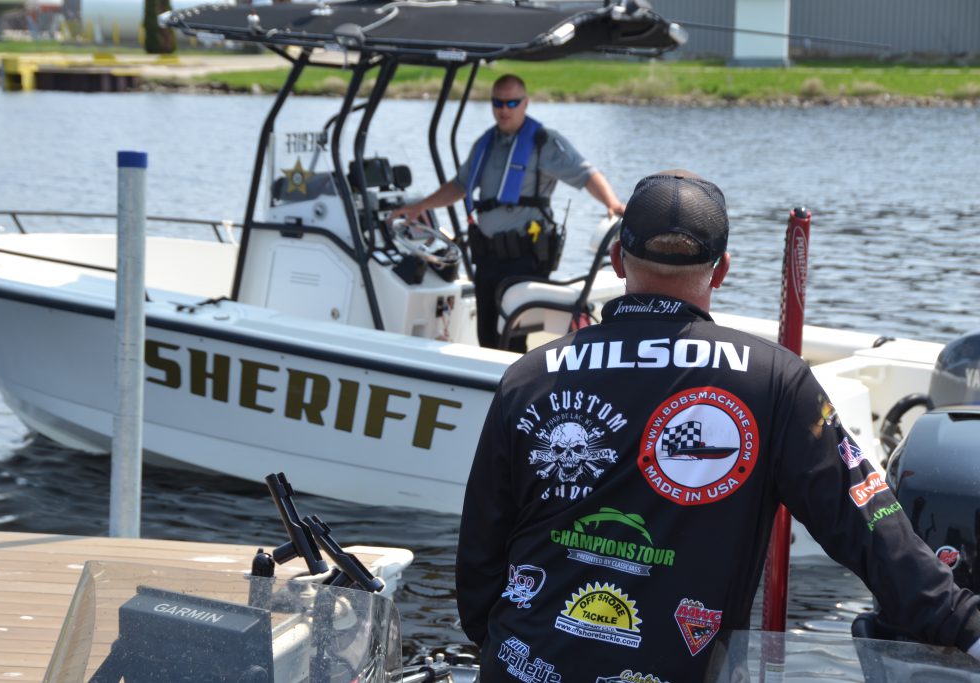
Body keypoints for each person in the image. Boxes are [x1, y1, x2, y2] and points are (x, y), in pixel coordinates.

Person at [455, 170, 980, 681]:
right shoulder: (773, 380)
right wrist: (964, 622)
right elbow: (868, 525)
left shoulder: (530, 374)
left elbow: (480, 558)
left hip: (521, 665)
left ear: (616, 259)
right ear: (722, 269)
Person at [387, 74, 625, 352]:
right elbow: (459, 186)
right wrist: (421, 206)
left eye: (512, 103)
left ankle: (516, 377)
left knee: (512, 335)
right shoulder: (485, 143)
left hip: (525, 256)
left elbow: (587, 174)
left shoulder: (543, 142)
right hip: (487, 256)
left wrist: (612, 203)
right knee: (487, 334)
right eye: (498, 103)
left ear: (525, 103)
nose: (504, 109)